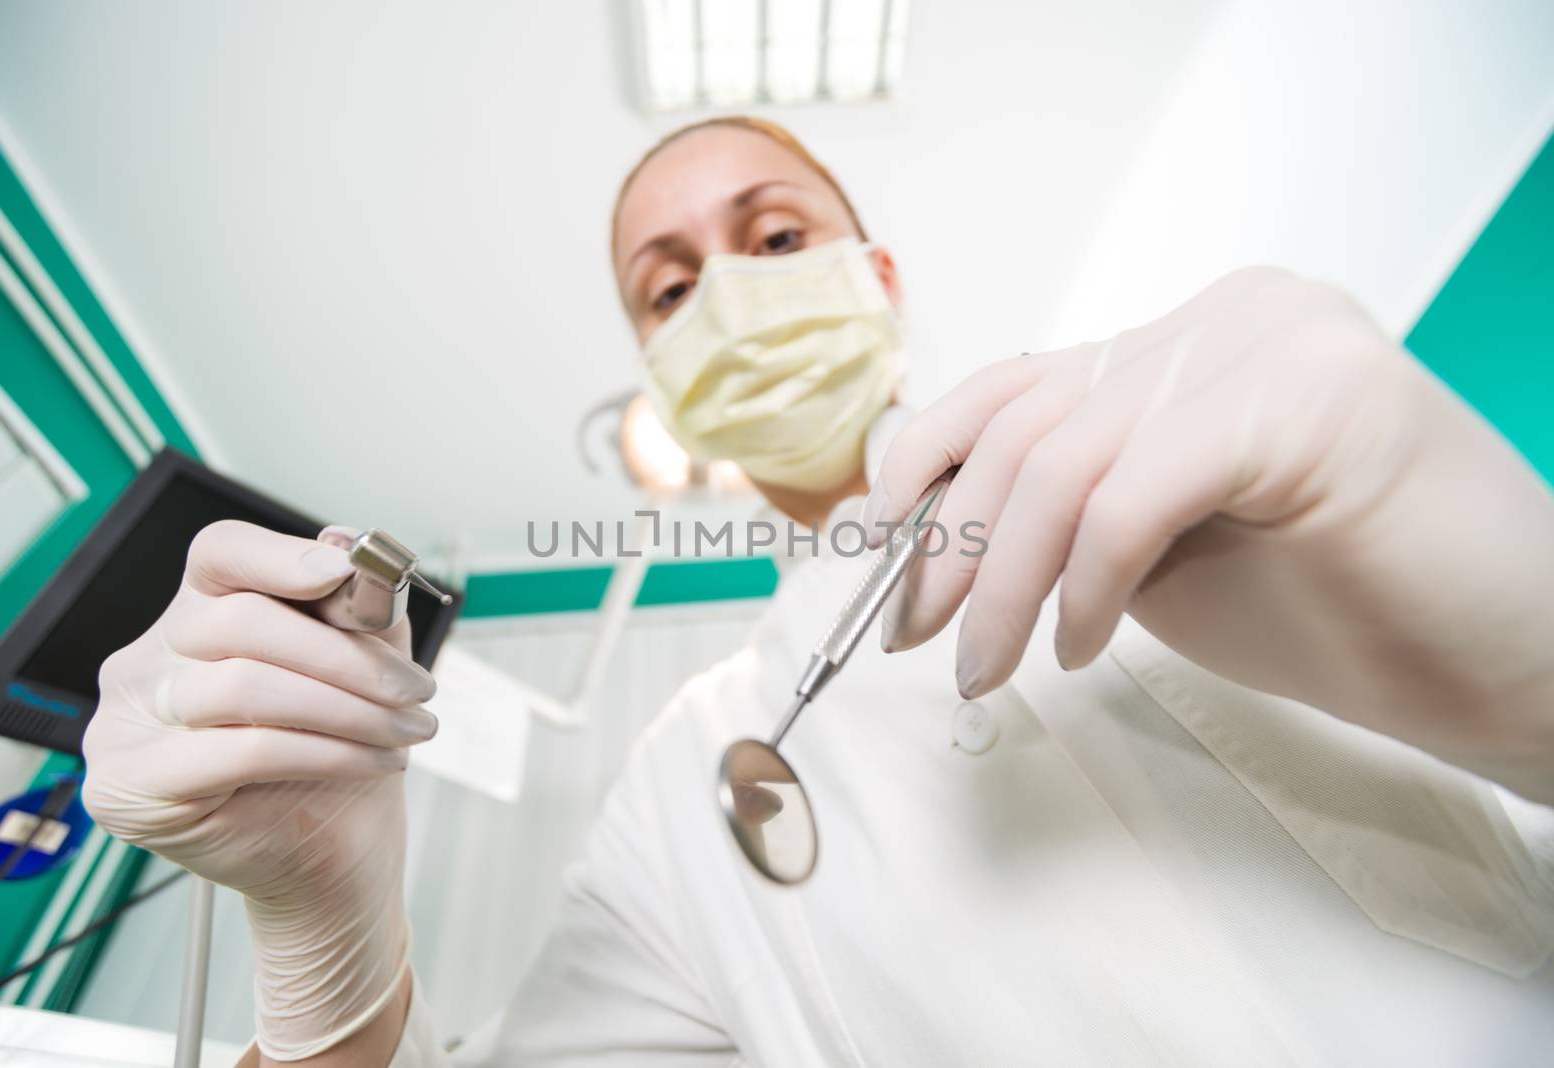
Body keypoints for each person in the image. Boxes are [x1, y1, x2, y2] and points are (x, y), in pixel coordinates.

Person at [81, 117, 1554, 1067]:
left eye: (775, 237)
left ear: (877, 275)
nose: (726, 292)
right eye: (669, 291)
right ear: (665, 385)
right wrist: (321, 947)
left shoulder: (1207, 450)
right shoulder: (679, 798)